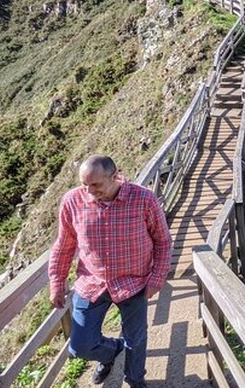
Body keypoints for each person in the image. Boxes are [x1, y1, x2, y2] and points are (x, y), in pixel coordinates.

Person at [48, 155, 172, 387]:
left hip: (134, 281)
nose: (88, 190)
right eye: (84, 184)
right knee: (80, 346)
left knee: (136, 339)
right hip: (91, 281)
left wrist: (157, 277)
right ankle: (111, 351)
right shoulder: (72, 201)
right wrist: (57, 282)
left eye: (95, 185)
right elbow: (64, 245)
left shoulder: (143, 198)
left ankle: (135, 380)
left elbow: (163, 241)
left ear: (115, 177)